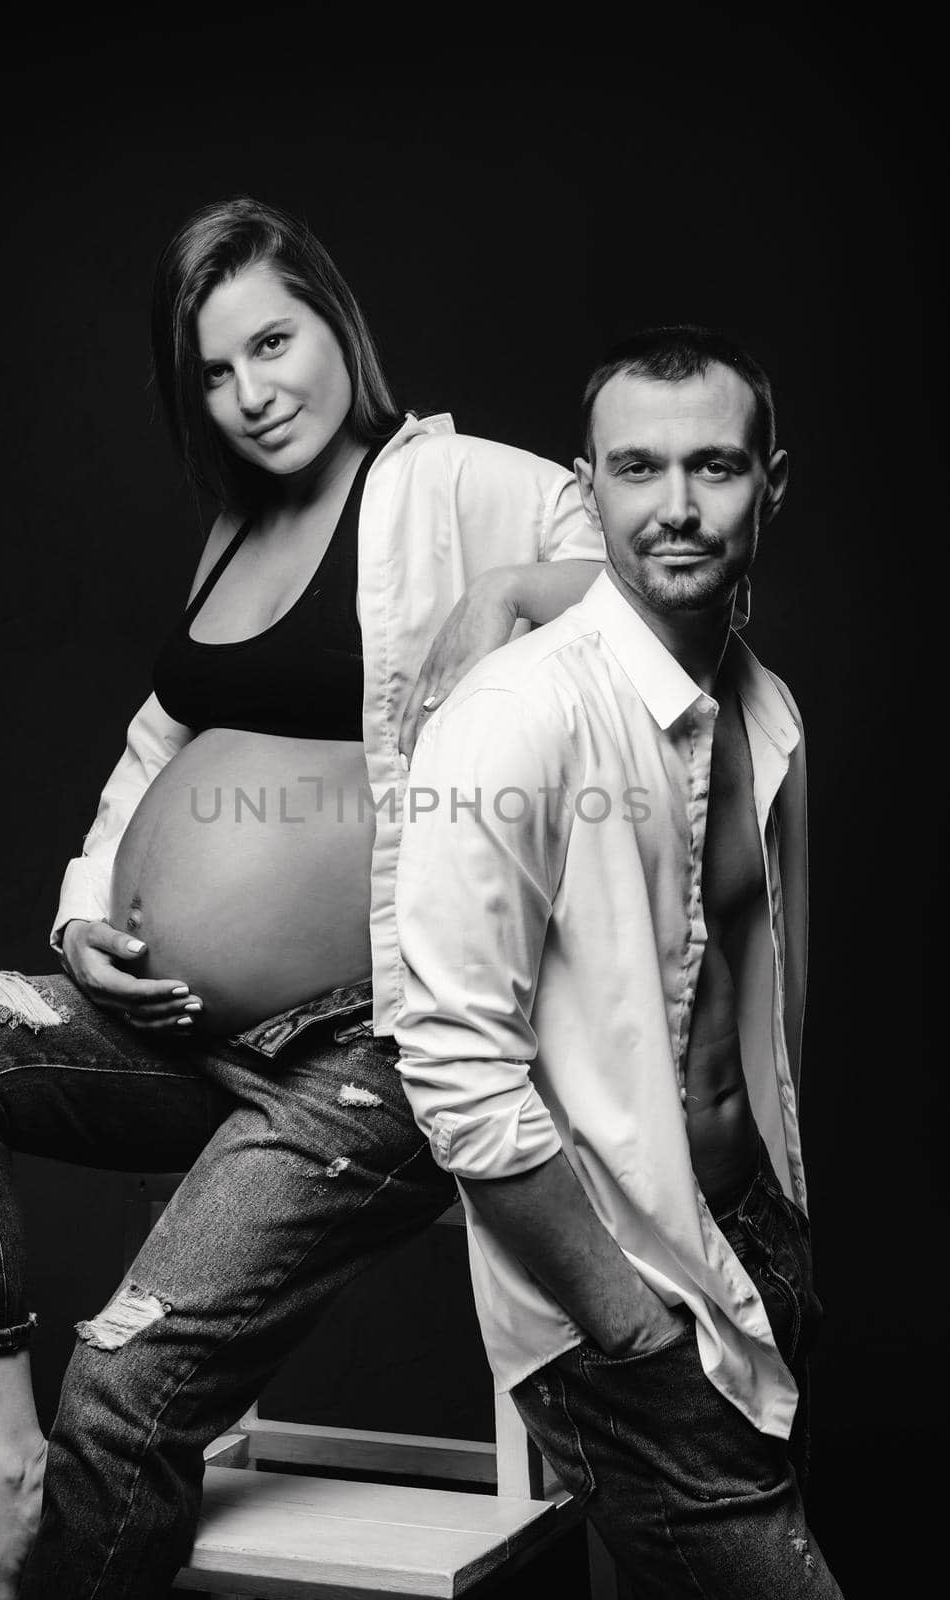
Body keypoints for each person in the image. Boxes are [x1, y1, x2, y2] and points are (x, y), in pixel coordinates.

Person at [0, 196, 605, 1600]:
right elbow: (157, 747)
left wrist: (510, 588)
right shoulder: (230, 534)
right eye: (212, 371)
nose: (249, 394)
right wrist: (90, 915)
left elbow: (644, 587)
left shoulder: (446, 487)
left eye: (271, 342)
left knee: (125, 1384)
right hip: (181, 1038)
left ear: (335, 320)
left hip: (369, 1056)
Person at [395, 326, 843, 1596]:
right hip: (618, 1283)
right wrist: (624, 1322)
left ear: (771, 482)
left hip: (751, 1234)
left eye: (713, 467)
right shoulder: (512, 719)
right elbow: (453, 1070)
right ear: (584, 494)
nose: (679, 507)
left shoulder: (768, 711)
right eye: (637, 471)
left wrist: (783, 1226)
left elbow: (764, 1002)